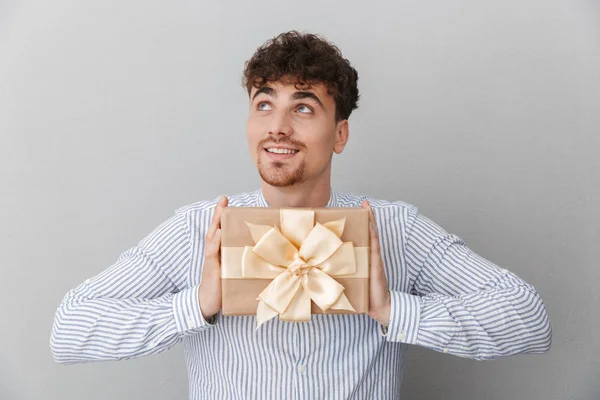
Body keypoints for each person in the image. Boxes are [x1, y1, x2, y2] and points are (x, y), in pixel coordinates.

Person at [50, 30, 552, 399]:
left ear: (340, 134)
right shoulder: (197, 229)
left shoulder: (395, 229)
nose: (279, 127)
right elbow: (69, 329)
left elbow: (530, 319)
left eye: (304, 108)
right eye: (264, 104)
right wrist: (197, 305)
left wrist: (393, 310)